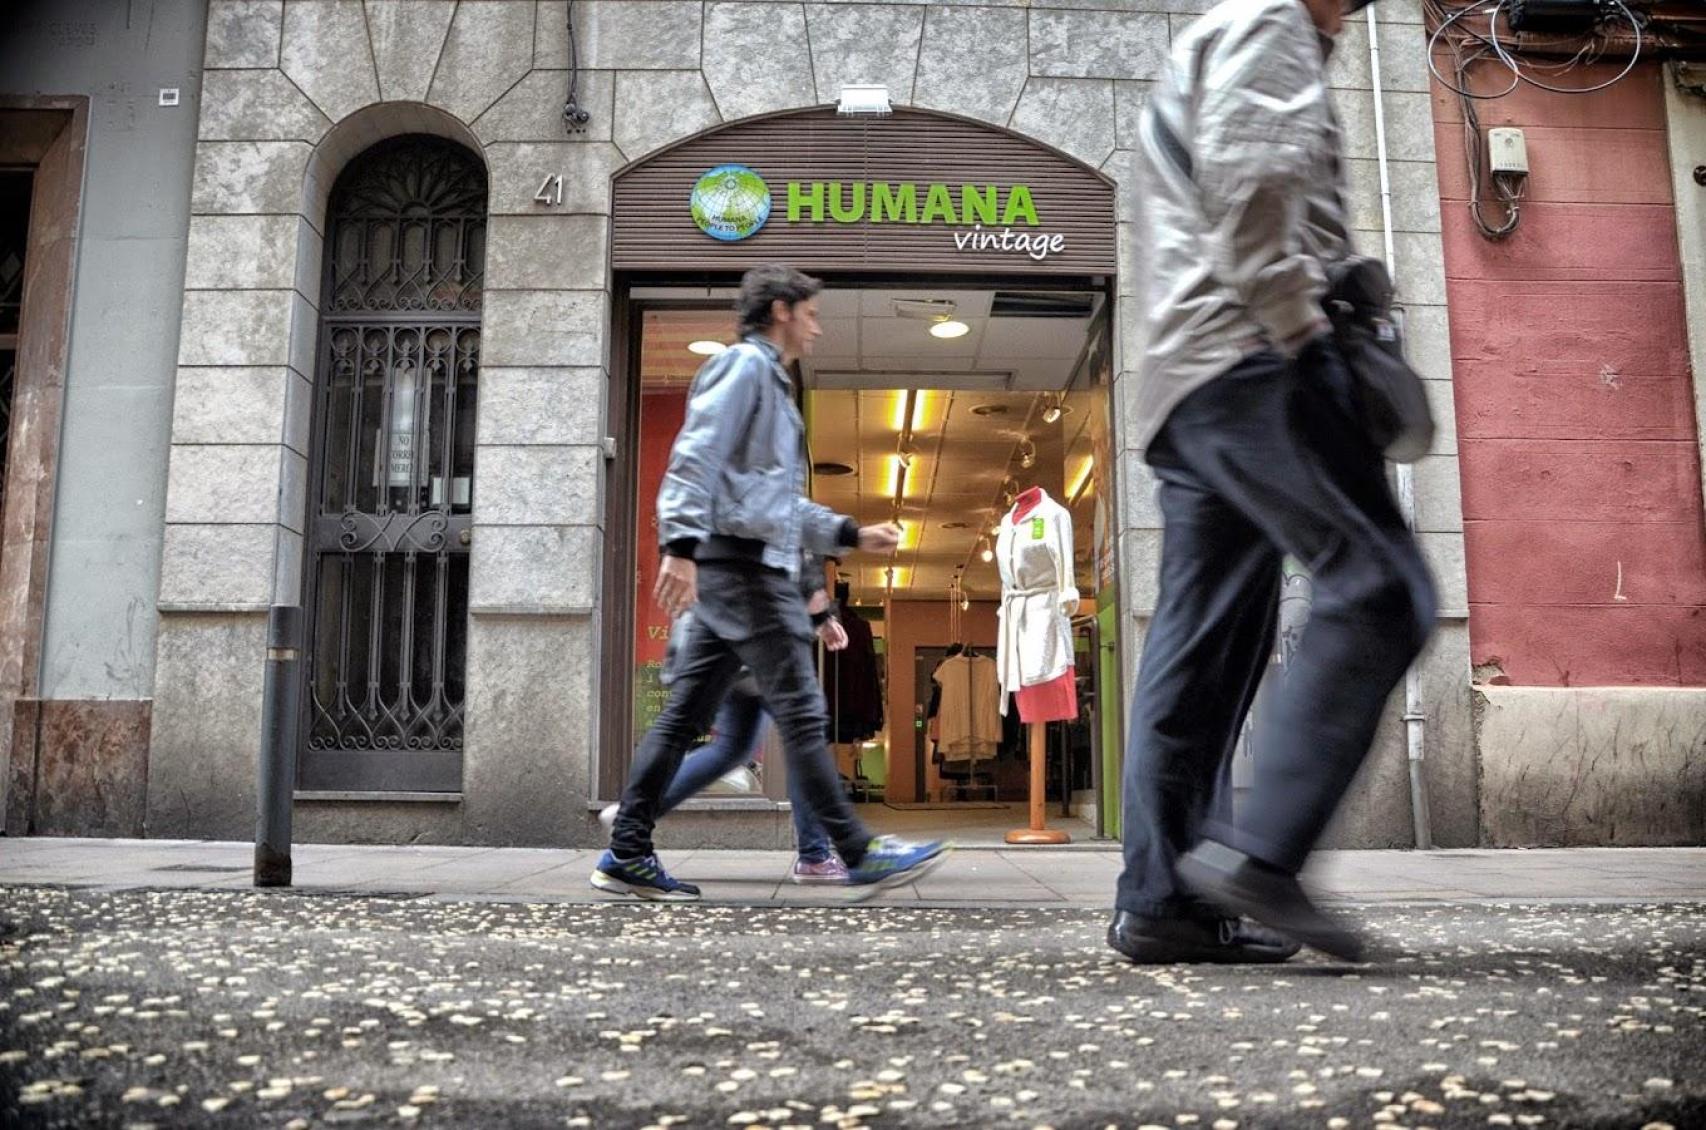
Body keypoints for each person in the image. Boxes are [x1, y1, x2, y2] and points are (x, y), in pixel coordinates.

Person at [1110, 0, 1436, 963]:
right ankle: (1264, 858)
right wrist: (1303, 328)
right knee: (1382, 587)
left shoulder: (1223, 33)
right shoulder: (1272, 21)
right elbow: (1252, 181)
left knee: (1200, 653)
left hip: (1187, 381)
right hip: (1252, 361)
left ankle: (1163, 903)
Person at [593, 264, 949, 902]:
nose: (817, 326)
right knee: (804, 716)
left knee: (683, 723)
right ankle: (855, 851)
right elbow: (693, 454)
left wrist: (848, 532)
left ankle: (626, 850)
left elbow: (771, 501)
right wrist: (678, 546)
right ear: (783, 310)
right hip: (750, 574)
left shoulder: (771, 384)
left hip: (736, 569)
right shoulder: (746, 369)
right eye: (812, 313)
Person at [599, 574, 853, 885]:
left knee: (732, 747)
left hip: (727, 638)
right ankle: (815, 855)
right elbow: (785, 562)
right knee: (803, 737)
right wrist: (820, 614)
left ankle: (633, 816)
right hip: (756, 639)